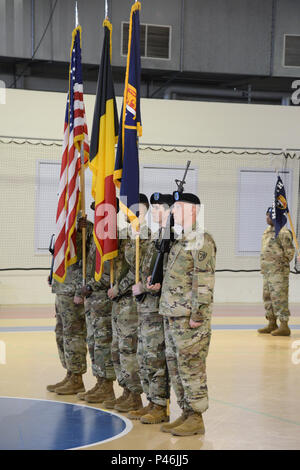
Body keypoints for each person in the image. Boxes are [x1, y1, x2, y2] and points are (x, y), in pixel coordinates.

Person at [148, 192, 216, 436]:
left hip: (189, 318)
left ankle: (196, 417)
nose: (173, 212)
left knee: (191, 367)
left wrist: (198, 314)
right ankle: (186, 412)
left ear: (192, 210)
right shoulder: (179, 240)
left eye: (177, 208)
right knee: (175, 366)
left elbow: (204, 281)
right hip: (171, 313)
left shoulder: (201, 240)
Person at [128, 193, 173, 424]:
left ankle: (159, 405)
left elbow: (169, 277)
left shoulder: (171, 239)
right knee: (144, 357)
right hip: (145, 309)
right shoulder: (156, 237)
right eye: (153, 209)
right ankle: (150, 401)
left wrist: (146, 288)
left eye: (160, 209)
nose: (156, 213)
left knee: (156, 359)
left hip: (157, 309)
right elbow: (142, 268)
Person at [106, 194, 149, 413]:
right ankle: (126, 390)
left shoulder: (147, 236)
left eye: (138, 211)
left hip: (134, 303)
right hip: (121, 303)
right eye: (130, 211)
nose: (132, 215)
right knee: (118, 349)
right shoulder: (127, 235)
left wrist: (119, 287)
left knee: (130, 349)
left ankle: (135, 394)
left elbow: (138, 271)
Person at [46, 215, 93, 395]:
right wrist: (52, 274)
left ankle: (76, 378)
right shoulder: (64, 226)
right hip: (62, 287)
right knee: (61, 333)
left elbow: (89, 260)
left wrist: (79, 291)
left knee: (74, 334)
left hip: (73, 289)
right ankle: (69, 372)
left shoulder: (85, 228)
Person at [78, 201, 116, 404]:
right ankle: (100, 382)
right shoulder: (96, 233)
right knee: (93, 342)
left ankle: (107, 385)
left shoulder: (112, 234)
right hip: (93, 298)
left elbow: (108, 269)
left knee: (103, 343)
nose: (97, 214)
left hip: (102, 297)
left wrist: (92, 285)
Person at [258, 206, 295, 336]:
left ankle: (284, 326)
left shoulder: (283, 232)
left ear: (275, 217)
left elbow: (290, 252)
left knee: (279, 298)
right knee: (268, 298)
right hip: (267, 272)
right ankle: (272, 323)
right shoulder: (267, 231)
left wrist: (279, 265)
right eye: (266, 215)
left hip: (278, 273)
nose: (266, 218)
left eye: (269, 215)